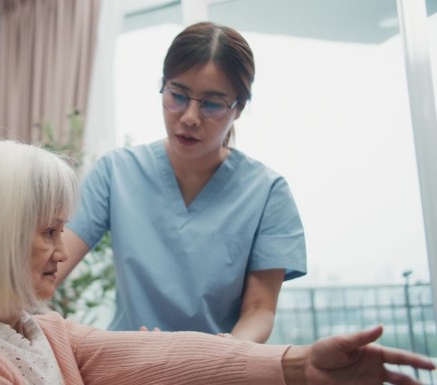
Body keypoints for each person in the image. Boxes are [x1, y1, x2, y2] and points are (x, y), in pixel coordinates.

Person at [0, 140, 434, 385]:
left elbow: (151, 352)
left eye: (62, 230)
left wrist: (299, 365)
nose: (63, 253)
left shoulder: (40, 333)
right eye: (49, 232)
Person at [56, 21, 305, 342]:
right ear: (163, 87)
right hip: (128, 361)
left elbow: (259, 309)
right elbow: (53, 259)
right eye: (177, 96)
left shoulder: (268, 193)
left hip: (214, 366)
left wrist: (224, 356)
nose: (189, 117)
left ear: (239, 109)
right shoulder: (115, 172)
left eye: (212, 104)